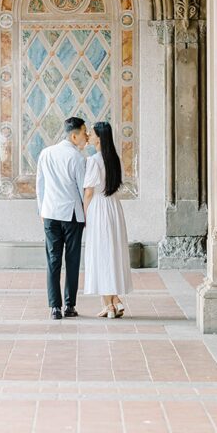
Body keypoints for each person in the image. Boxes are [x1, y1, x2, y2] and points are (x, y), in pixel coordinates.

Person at [36, 116, 88, 320]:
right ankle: (69, 305)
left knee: (53, 260)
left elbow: (39, 185)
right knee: (72, 260)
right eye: (84, 133)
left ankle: (54, 308)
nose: (86, 137)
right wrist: (87, 216)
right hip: (72, 215)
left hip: (49, 213)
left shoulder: (46, 153)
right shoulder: (77, 158)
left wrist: (41, 210)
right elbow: (83, 190)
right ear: (74, 136)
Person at [82, 121, 132, 318]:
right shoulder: (115, 159)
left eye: (92, 134)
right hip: (114, 207)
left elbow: (88, 192)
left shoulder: (93, 160)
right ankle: (115, 300)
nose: (89, 136)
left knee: (100, 254)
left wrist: (85, 216)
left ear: (99, 138)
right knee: (112, 253)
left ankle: (109, 305)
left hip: (99, 207)